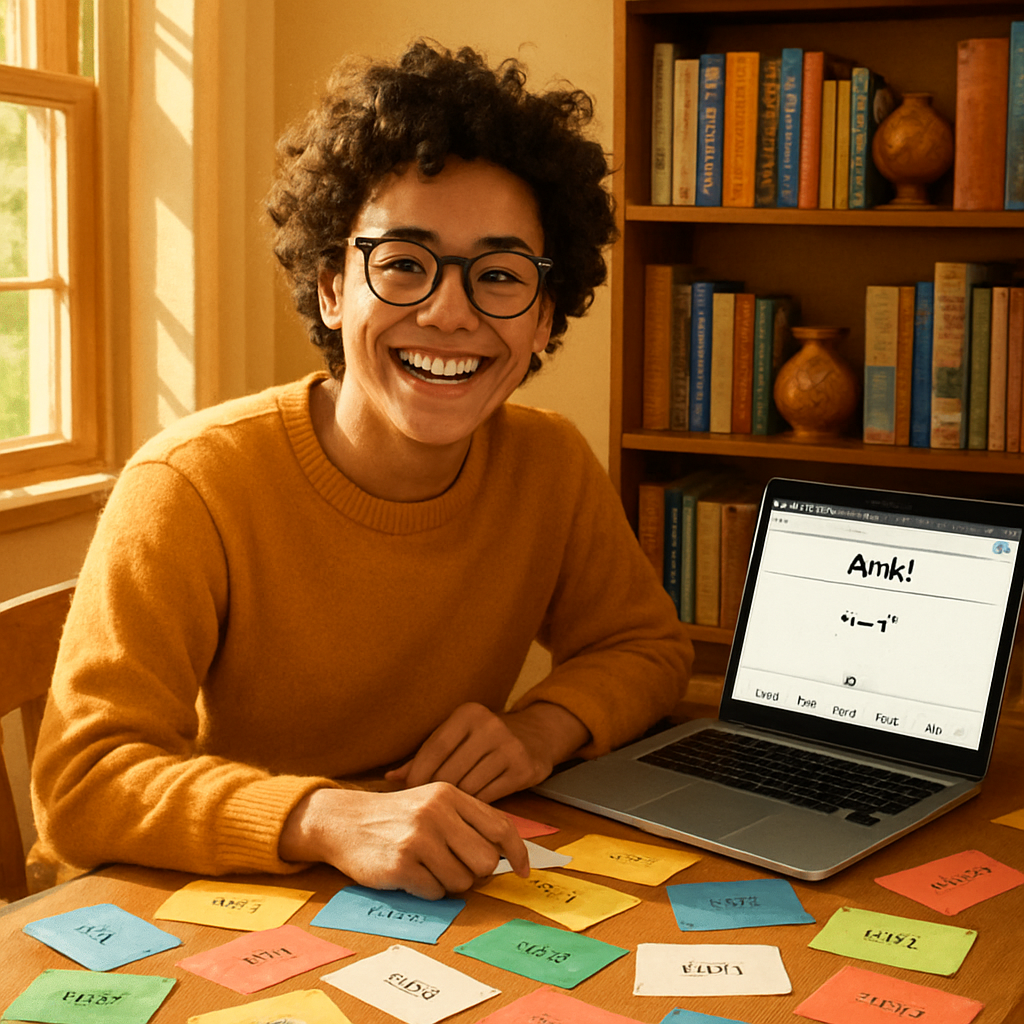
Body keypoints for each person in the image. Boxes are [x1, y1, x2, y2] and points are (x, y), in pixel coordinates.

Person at [30, 41, 693, 900]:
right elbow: (82, 786)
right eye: (404, 264)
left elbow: (645, 646)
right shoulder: (190, 485)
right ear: (333, 287)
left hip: (425, 891)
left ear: (542, 321)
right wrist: (327, 816)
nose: (449, 312)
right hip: (196, 905)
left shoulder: (550, 462)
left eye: (498, 276)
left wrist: (539, 729)